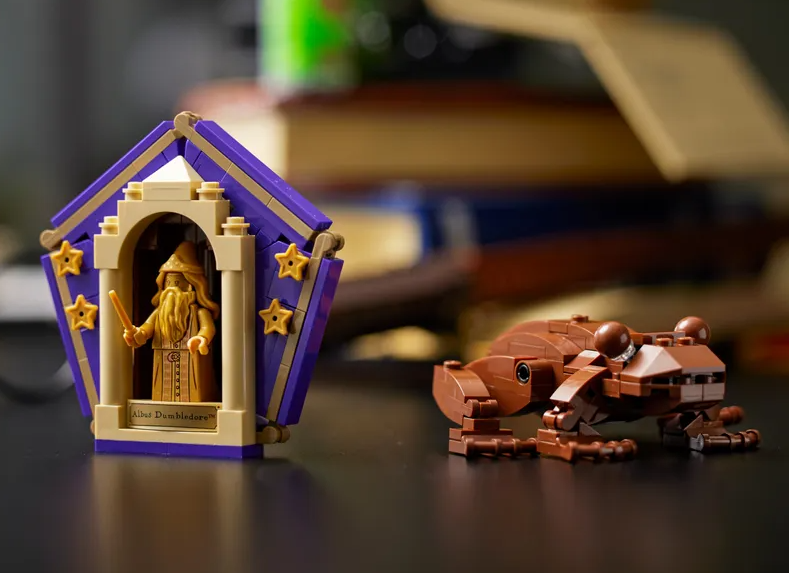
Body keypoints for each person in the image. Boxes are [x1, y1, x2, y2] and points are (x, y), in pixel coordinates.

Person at [123, 241, 220, 402]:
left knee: (193, 388)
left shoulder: (199, 312)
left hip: (191, 360)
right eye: (168, 283)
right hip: (163, 359)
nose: (171, 289)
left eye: (177, 283)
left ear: (190, 286)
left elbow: (207, 328)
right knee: (163, 390)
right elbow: (147, 328)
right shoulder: (159, 313)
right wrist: (138, 334)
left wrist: (201, 338)